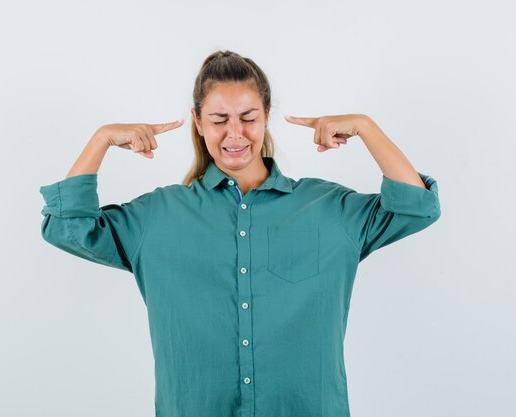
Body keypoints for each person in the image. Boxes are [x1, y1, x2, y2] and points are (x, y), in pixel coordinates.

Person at [39, 50, 441, 417]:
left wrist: (366, 127)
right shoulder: (156, 217)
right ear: (197, 122)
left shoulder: (328, 210)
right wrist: (102, 139)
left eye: (248, 118)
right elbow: (66, 227)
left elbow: (417, 207)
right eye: (218, 120)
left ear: (266, 116)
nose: (235, 133)